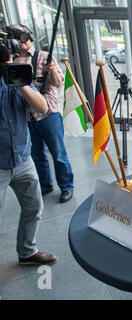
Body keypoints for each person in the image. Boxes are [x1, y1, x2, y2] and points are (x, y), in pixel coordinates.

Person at [0, 45, 59, 269]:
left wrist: (20, 84)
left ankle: (27, 251)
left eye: (12, 60)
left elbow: (43, 107)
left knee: (34, 207)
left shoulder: (19, 79)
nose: (9, 65)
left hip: (23, 159)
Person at [12, 24, 74, 203]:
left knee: (58, 153)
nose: (18, 41)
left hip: (49, 113)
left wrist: (52, 70)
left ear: (27, 36)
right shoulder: (13, 60)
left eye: (19, 36)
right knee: (36, 154)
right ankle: (46, 186)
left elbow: (58, 82)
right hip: (26, 116)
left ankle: (66, 186)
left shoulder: (43, 57)